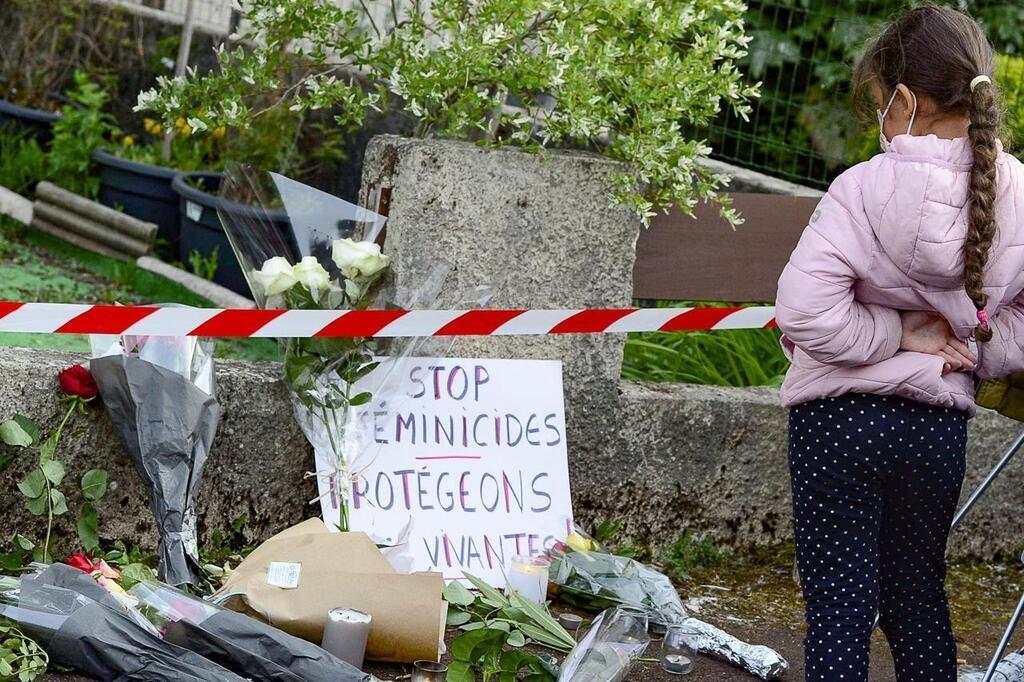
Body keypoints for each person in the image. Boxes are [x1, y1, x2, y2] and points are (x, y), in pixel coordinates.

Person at [775, 5, 1024, 681]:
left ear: (907, 103)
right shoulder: (1017, 192)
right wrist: (973, 343)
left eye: (882, 105)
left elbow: (804, 312)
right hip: (936, 434)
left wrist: (893, 334)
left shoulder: (860, 188)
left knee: (838, 612)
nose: (881, 123)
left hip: (837, 422)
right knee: (918, 602)